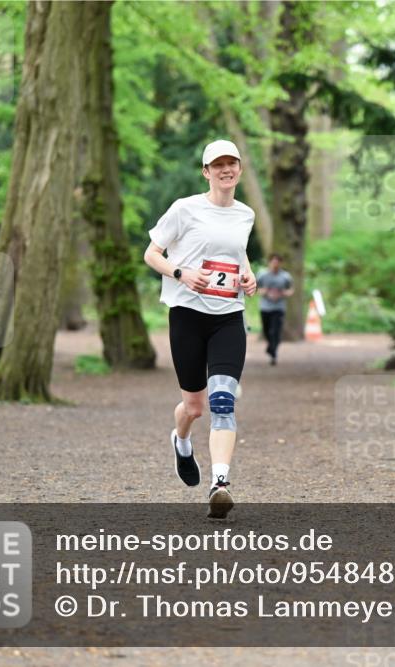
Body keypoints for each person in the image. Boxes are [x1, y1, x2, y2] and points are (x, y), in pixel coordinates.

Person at [143, 139, 257, 519]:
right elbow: (151, 253)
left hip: (228, 316)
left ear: (239, 169)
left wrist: (248, 273)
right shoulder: (185, 209)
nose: (226, 170)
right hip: (187, 315)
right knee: (194, 407)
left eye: (232, 163)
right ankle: (181, 440)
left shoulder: (245, 214)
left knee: (223, 400)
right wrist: (182, 273)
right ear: (206, 172)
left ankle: (219, 484)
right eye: (218, 165)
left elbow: (237, 249)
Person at [256, 254, 294, 366]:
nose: (275, 264)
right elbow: (255, 287)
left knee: (275, 331)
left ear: (281, 263)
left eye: (278, 262)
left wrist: (283, 293)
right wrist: (264, 291)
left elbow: (291, 289)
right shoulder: (262, 274)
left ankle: (273, 352)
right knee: (267, 330)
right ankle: (270, 347)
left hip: (279, 308)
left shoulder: (286, 276)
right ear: (269, 263)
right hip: (265, 307)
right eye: (273, 262)